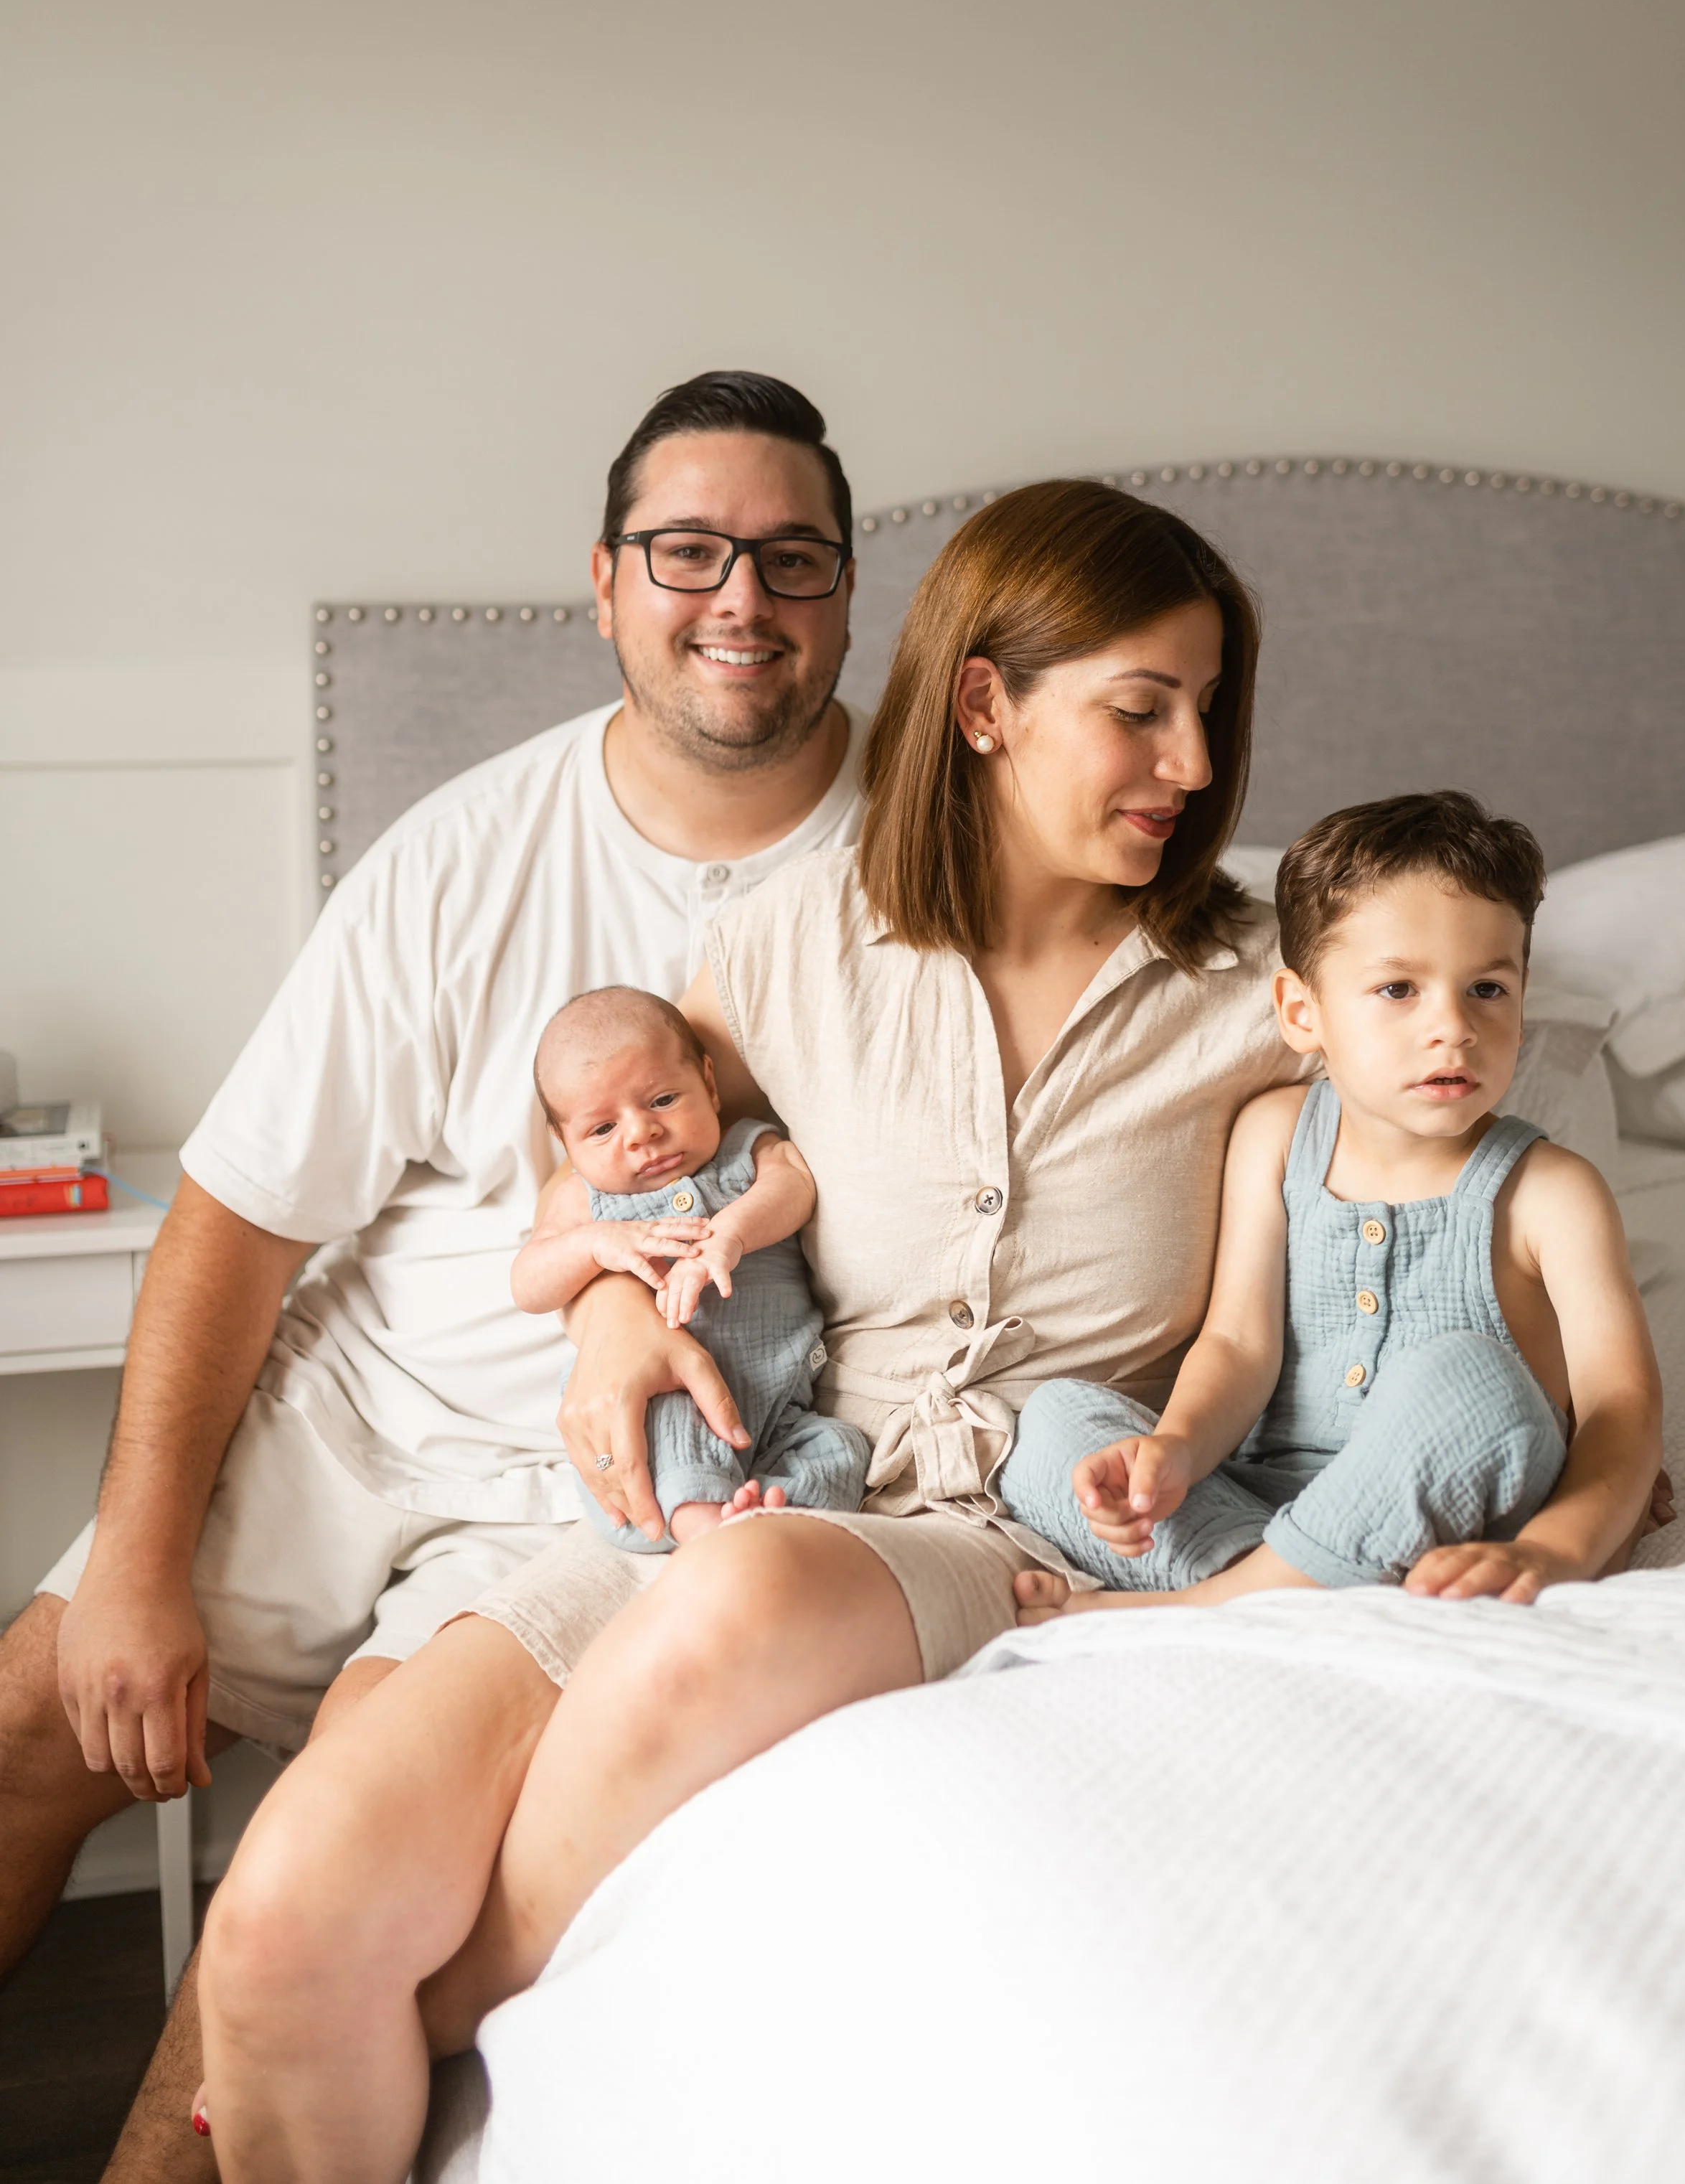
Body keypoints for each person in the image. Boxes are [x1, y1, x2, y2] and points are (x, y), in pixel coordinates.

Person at [196, 474, 1305, 2182]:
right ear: (989, 703)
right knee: (275, 1919)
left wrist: (1571, 1436)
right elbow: (598, 1184)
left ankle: (439, 2001)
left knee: (748, 1590)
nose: (1191, 764)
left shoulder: (1262, 989)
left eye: (1208, 710)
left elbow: (1441, 1197)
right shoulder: (793, 941)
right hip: (714, 1480)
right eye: (1139, 709)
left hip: (965, 1517)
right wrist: (614, 1326)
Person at [0, 369, 865, 2183]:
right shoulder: (469, 848)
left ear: (849, 593)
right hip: (357, 1407)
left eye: (794, 558)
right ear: (606, 579)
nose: (743, 599)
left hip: (594, 1484)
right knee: (25, 1711)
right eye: (690, 549)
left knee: (304, 1886)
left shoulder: (917, 861)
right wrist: (138, 1569)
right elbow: (239, 1217)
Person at [1000, 790, 1663, 1621]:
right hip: (1260, 1504)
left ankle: (1211, 1608)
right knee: (1052, 1421)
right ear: (1300, 1012)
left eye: (1487, 989)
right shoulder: (1274, 1135)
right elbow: (1239, 1345)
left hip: (1446, 1506)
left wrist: (1556, 1548)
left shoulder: (1550, 1192)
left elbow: (1620, 1409)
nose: (1451, 1028)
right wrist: (1173, 1449)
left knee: (1475, 1376)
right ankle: (1277, 1587)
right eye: (1397, 990)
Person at [517, 985, 868, 1545]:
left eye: (661, 1100)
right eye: (602, 1129)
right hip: (657, 1414)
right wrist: (592, 1246)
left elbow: (794, 1186)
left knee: (843, 1451)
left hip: (784, 1409)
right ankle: (705, 1532)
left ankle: (774, 1520)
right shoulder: (584, 1203)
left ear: (708, 1081)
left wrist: (731, 1232)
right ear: (564, 1142)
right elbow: (528, 1283)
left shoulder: (748, 1151)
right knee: (670, 1418)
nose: (641, 1133)